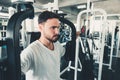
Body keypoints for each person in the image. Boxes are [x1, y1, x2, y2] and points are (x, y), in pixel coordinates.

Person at [20, 11, 65, 80]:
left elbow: (64, 52)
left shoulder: (57, 45)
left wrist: (74, 37)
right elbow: (16, 71)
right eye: (53, 28)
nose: (57, 32)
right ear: (41, 27)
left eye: (58, 28)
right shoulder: (31, 51)